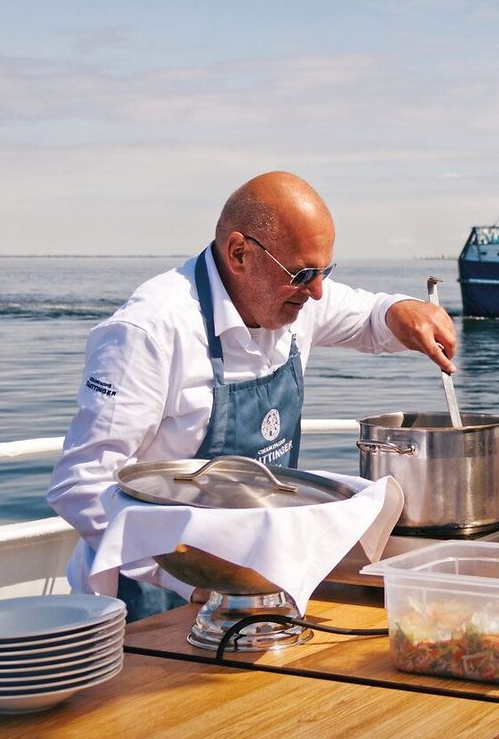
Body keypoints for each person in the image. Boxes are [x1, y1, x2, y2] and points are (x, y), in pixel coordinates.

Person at [47, 170, 456, 621]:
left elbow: (370, 317)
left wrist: (401, 309)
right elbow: (81, 484)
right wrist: (191, 579)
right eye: (303, 274)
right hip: (152, 600)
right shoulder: (147, 332)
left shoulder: (297, 298)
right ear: (240, 253)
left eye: (324, 271)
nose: (317, 291)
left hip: (258, 591)